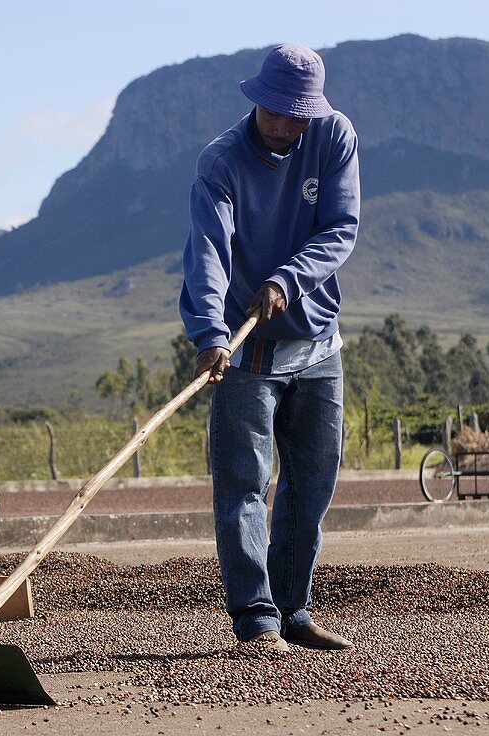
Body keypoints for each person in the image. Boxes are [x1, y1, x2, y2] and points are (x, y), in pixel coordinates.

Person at [179, 44, 359, 653]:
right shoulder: (221, 162)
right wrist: (208, 334)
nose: (284, 125)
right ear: (256, 100)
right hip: (246, 351)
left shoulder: (334, 137)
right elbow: (209, 250)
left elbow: (341, 228)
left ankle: (294, 608)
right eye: (274, 112)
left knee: (311, 483)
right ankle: (256, 619)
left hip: (316, 342)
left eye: (295, 115)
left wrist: (287, 279)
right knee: (244, 488)